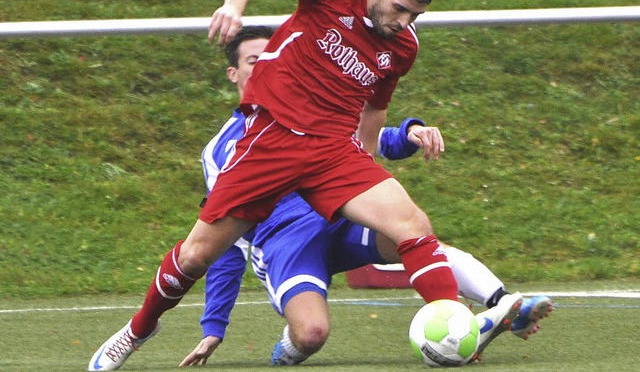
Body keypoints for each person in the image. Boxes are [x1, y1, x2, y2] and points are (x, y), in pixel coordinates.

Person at [89, 0, 532, 370]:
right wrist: (232, 6)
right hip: (272, 141)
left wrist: (367, 161)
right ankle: (138, 330)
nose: (403, 22)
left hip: (332, 152)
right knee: (195, 256)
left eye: (414, 15)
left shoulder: (402, 47)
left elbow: (375, 111)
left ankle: (454, 327)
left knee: (412, 224)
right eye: (399, 9)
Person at [177, 27, 553, 367]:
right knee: (311, 336)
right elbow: (222, 241)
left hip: (339, 220)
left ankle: (503, 304)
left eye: (271, 59)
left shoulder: (310, 111)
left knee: (413, 236)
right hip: (286, 245)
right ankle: (289, 349)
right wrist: (215, 325)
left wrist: (409, 133)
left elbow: (356, 146)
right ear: (233, 73)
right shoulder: (222, 149)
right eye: (253, 61)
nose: (264, 67)